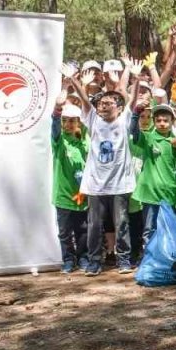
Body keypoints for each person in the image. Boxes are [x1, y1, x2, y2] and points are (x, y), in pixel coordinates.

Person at [65, 63, 139, 277]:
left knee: (122, 223)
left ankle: (123, 259)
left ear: (118, 106)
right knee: (94, 225)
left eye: (108, 103)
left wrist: (135, 79)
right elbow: (85, 100)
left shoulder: (124, 120)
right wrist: (75, 81)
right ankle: (94, 261)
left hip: (120, 184)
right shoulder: (93, 119)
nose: (103, 106)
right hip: (95, 185)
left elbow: (132, 101)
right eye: (101, 103)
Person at [130, 103, 176, 247]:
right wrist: (135, 113)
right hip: (150, 193)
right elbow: (134, 131)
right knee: (149, 229)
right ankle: (150, 259)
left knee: (167, 228)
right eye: (158, 120)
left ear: (172, 122)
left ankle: (165, 259)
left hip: (169, 192)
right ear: (153, 121)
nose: (162, 124)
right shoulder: (148, 138)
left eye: (166, 120)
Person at [52, 102, 89, 273]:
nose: (68, 124)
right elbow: (55, 129)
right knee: (65, 232)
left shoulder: (84, 142)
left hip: (82, 195)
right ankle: (68, 259)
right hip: (63, 195)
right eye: (65, 121)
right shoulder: (59, 141)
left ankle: (83, 258)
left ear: (78, 122)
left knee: (82, 230)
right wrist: (57, 111)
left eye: (72, 121)